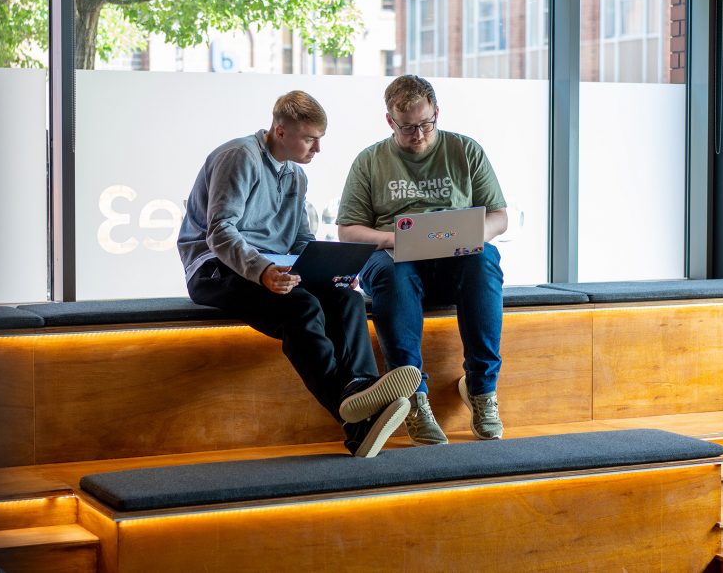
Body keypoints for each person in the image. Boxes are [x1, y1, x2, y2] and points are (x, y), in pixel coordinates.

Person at [177, 90, 421, 458]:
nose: (317, 150)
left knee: (346, 298)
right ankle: (356, 411)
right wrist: (262, 272)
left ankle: (361, 393)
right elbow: (220, 232)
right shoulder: (239, 157)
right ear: (279, 131)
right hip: (215, 267)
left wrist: (333, 269)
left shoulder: (295, 176)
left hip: (274, 266)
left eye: (320, 139)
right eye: (310, 139)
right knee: (302, 307)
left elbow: (300, 238)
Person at [336, 75, 508, 445]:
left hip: (455, 257)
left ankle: (482, 391)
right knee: (392, 272)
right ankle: (413, 398)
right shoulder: (370, 161)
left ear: (437, 113)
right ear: (390, 122)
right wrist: (394, 239)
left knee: (484, 261)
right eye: (408, 127)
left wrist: (472, 235)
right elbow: (349, 231)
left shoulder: (465, 150)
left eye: (426, 124)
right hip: (394, 256)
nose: (419, 134)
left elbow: (499, 216)